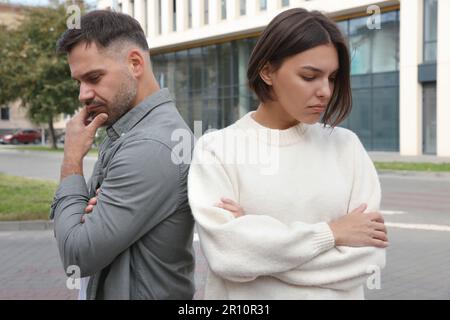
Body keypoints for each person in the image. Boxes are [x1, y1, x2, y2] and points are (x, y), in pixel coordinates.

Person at [188, 8, 388, 300]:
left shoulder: (347, 147)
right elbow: (229, 257)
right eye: (310, 76)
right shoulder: (216, 150)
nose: (326, 91)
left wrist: (258, 240)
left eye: (332, 78)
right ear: (267, 71)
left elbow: (367, 262)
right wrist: (332, 233)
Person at [50, 10, 195, 300]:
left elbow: (77, 255)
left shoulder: (152, 146)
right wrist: (84, 214)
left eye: (93, 77)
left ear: (135, 63)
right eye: (78, 81)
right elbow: (82, 227)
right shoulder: (126, 129)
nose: (83, 94)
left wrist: (71, 161)